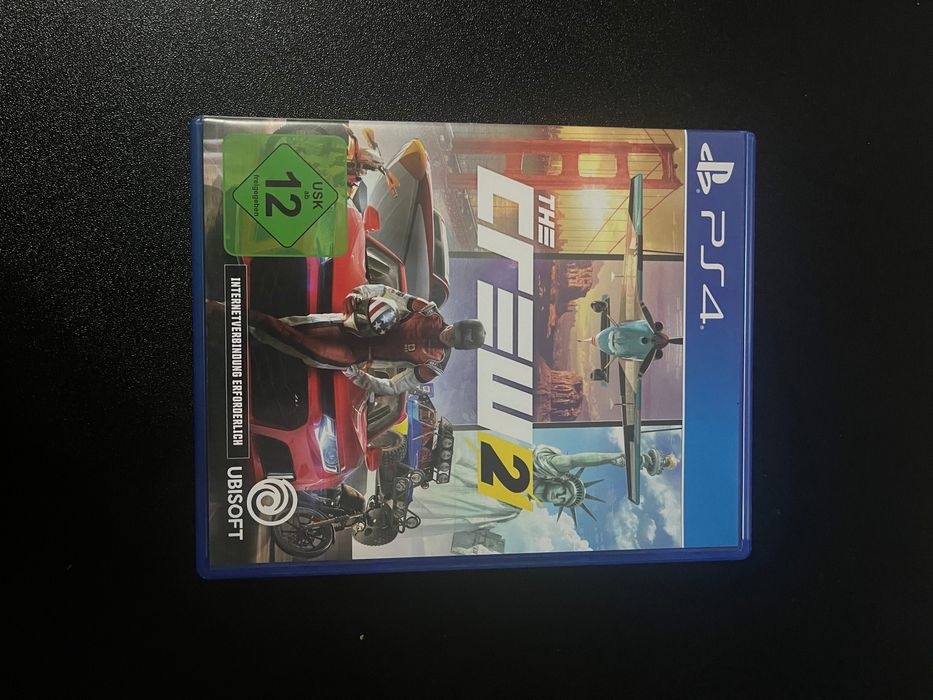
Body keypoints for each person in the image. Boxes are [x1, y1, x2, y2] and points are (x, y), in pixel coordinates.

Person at [244, 284, 485, 396]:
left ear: (458, 347)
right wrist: (358, 293)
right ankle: (240, 322)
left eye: (454, 340)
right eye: (454, 330)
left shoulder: (434, 364)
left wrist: (358, 376)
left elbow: (393, 387)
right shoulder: (427, 311)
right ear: (456, 323)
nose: (449, 336)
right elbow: (386, 292)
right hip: (351, 325)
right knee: (290, 328)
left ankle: (242, 327)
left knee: (305, 348)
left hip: (355, 356)